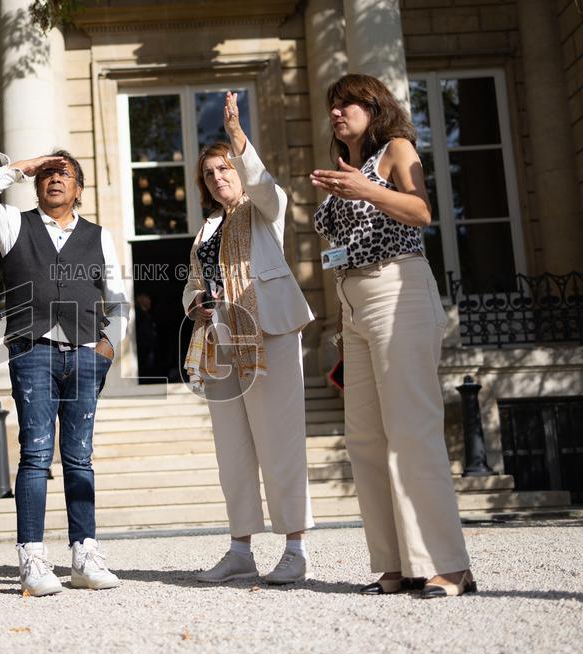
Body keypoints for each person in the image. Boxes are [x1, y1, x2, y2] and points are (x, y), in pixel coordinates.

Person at [311, 73, 476, 598]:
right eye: (333, 106)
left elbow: (422, 210)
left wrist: (365, 189)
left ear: (374, 107)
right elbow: (340, 249)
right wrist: (341, 318)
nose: (338, 113)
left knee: (411, 432)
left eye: (348, 104)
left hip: (398, 289)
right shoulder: (347, 168)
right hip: (353, 304)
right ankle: (397, 565)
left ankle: (447, 564)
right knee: (365, 440)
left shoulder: (396, 150)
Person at [0, 149, 129, 596]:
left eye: (65, 174)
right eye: (48, 174)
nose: (55, 179)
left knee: (79, 456)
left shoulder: (99, 236)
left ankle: (84, 555)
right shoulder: (14, 223)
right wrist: (23, 166)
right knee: (36, 453)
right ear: (38, 184)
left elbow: (116, 297)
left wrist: (109, 346)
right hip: (32, 349)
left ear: (79, 189)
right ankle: (32, 559)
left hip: (84, 353)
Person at [182, 92, 315, 585]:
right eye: (210, 174)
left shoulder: (264, 211)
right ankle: (240, 549)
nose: (219, 178)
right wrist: (195, 302)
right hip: (218, 341)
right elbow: (192, 284)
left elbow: (268, 190)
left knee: (280, 441)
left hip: (268, 330)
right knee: (232, 451)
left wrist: (238, 139)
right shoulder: (207, 228)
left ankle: (296, 547)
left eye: (225, 169)